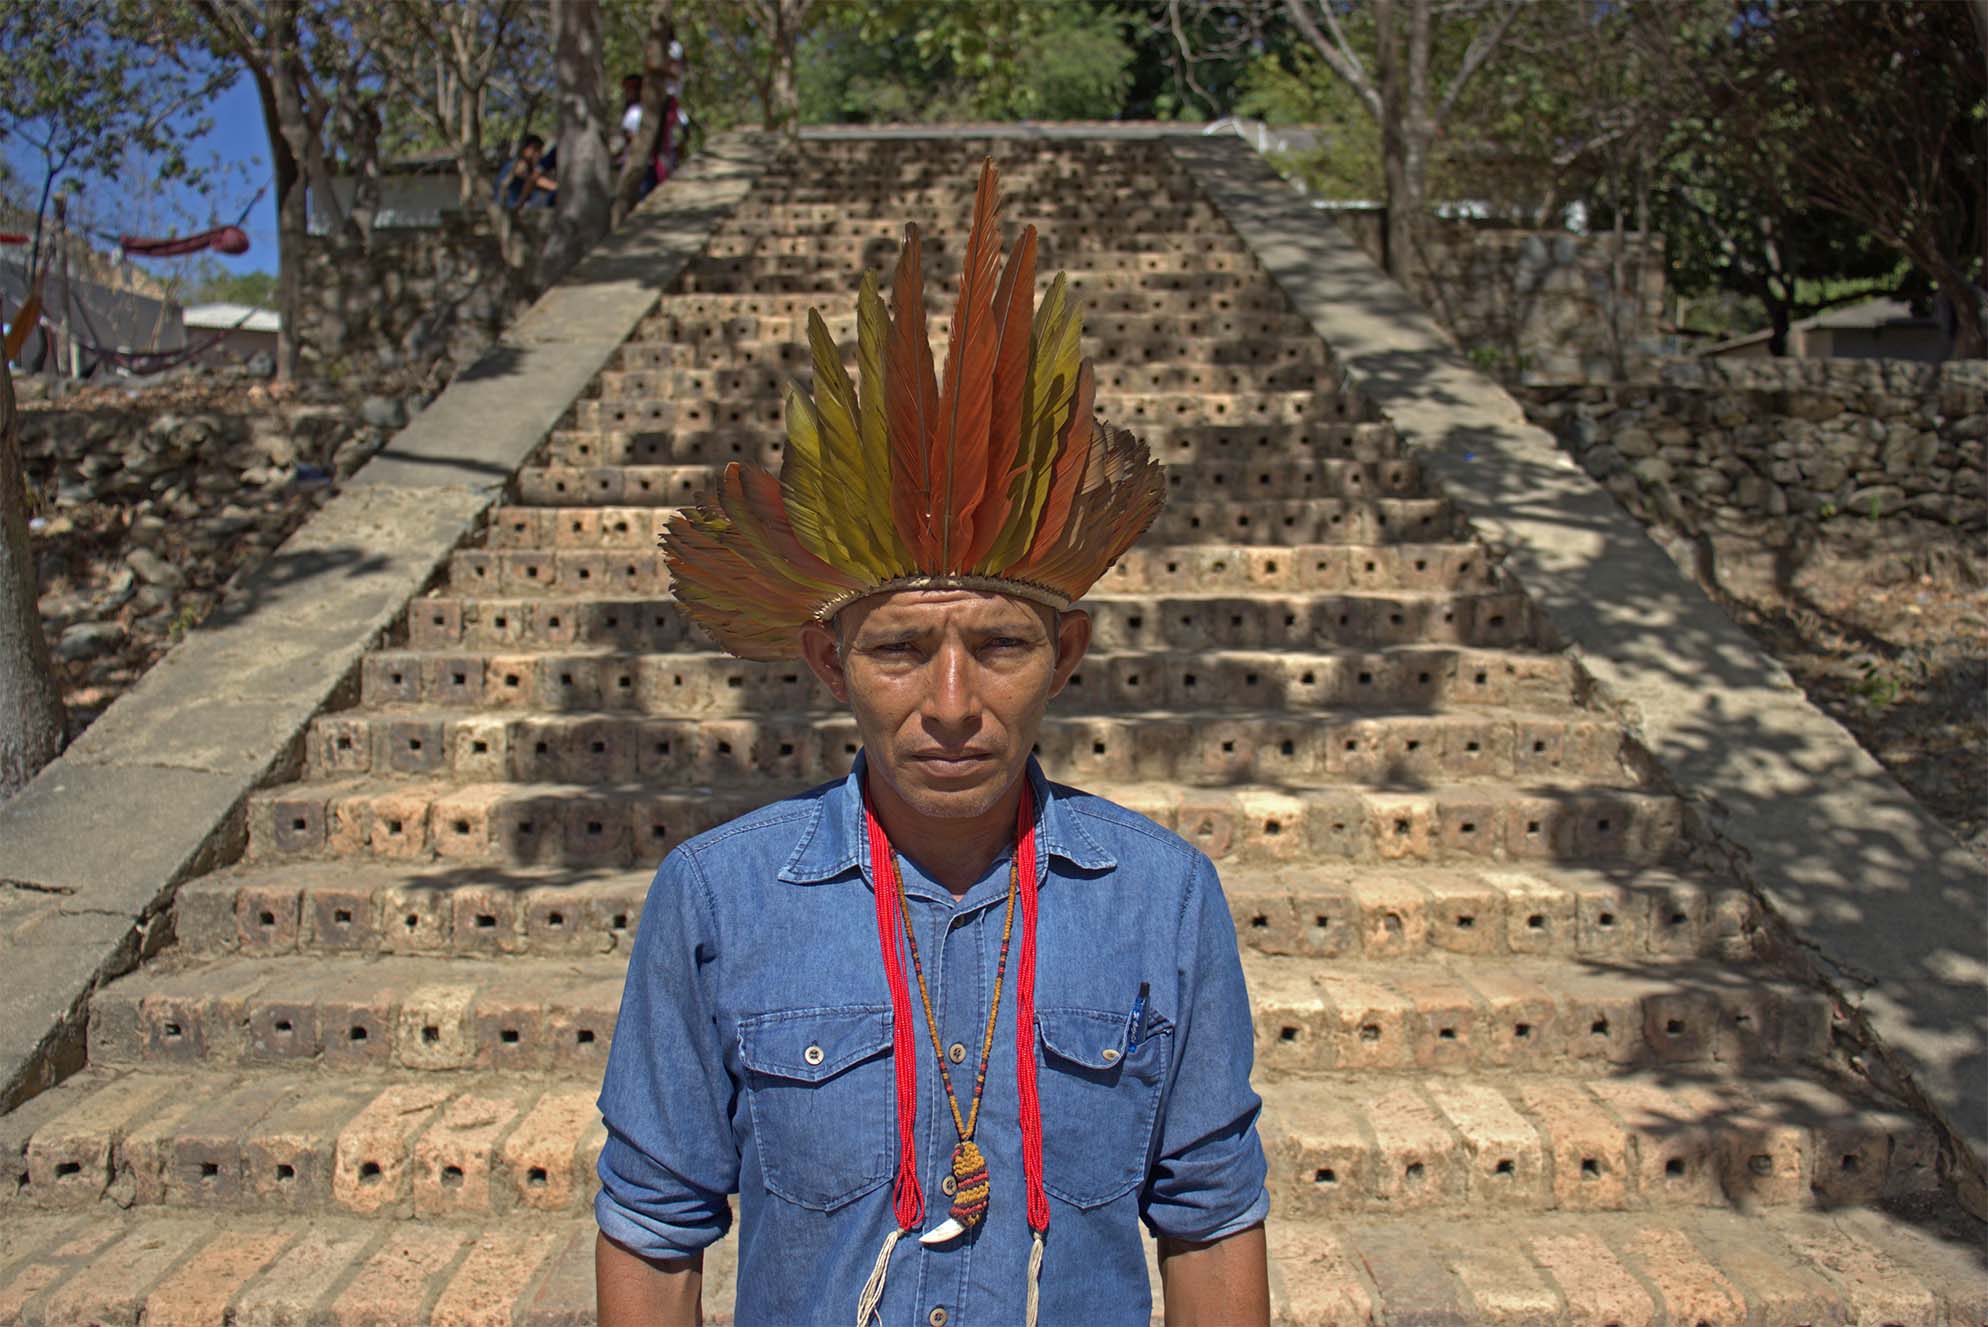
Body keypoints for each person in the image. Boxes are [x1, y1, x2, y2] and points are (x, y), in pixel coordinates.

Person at [594, 160, 1271, 1327]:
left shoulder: (1164, 896)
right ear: (826, 663)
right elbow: (655, 1224)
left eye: (999, 648)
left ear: (1065, 657)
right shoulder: (715, 899)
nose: (951, 702)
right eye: (901, 649)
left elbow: (1208, 1214)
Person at [497, 132, 555, 209]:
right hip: (508, 205)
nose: (538, 153)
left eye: (540, 149)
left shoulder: (528, 166)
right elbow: (536, 180)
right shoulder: (517, 164)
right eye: (535, 148)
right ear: (524, 148)